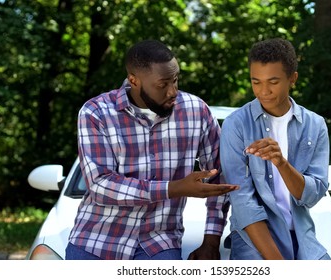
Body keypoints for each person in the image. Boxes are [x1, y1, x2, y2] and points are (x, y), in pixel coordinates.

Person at [66, 39, 238, 260]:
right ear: (134, 81)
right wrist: (172, 188)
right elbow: (100, 185)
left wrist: (211, 241)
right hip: (95, 242)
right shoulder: (95, 112)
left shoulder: (197, 111)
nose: (173, 91)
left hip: (159, 243)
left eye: (175, 80)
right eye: (163, 84)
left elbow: (220, 178)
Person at [219, 38, 331, 260]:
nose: (264, 91)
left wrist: (281, 163)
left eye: (273, 81)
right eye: (256, 82)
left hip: (301, 235)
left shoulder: (314, 125)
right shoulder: (236, 124)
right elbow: (242, 201)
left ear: (293, 79)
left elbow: (311, 196)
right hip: (254, 238)